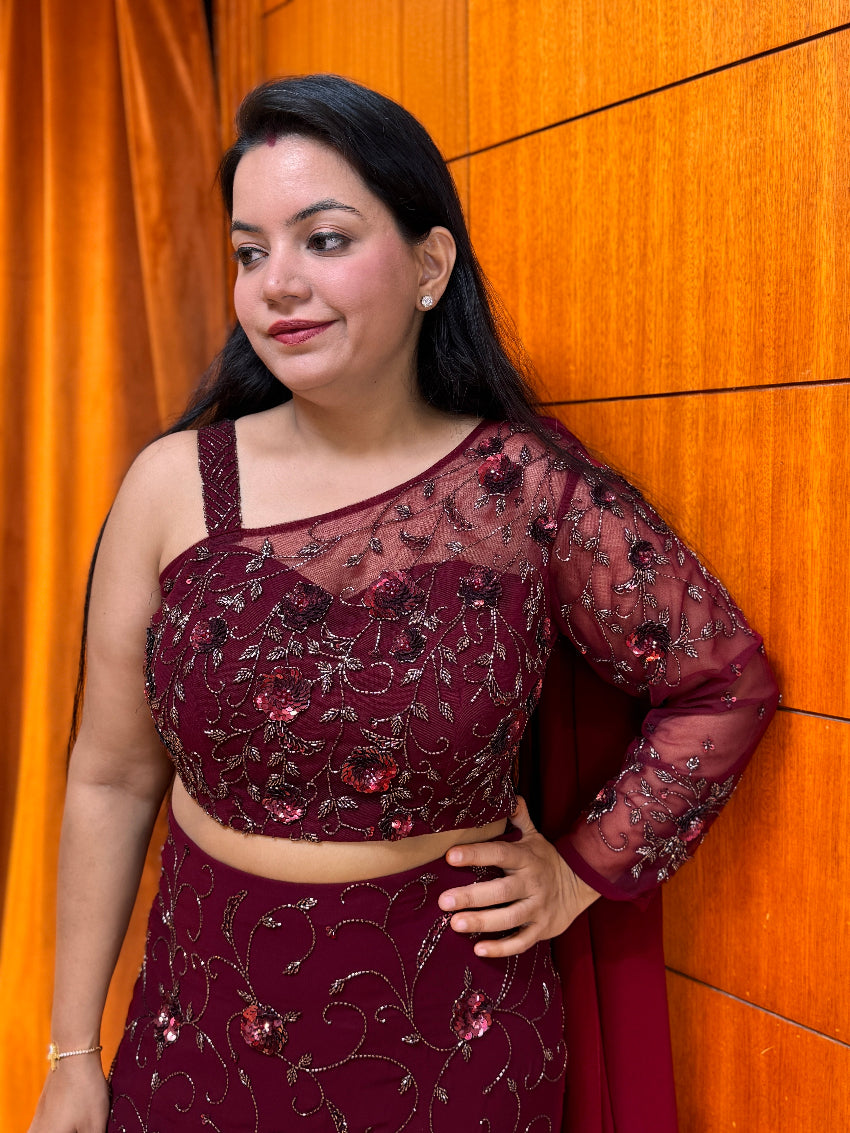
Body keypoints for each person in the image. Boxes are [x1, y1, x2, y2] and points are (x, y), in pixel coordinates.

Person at [28, 74, 778, 1133]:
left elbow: (722, 680)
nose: (278, 284)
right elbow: (110, 777)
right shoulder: (172, 485)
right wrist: (71, 1053)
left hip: (454, 1047)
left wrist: (579, 872)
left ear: (430, 264)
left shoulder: (526, 491)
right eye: (250, 252)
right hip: (200, 1039)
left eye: (324, 239)